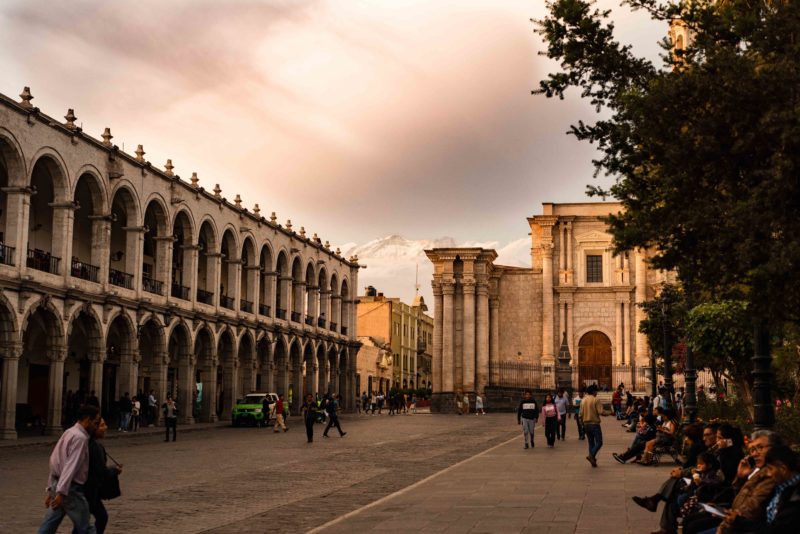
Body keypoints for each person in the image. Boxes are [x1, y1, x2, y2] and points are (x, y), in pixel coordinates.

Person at [38, 404, 101, 534]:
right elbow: (70, 466)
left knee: (49, 525)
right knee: (86, 528)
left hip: (59, 485)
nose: (96, 426)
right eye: (95, 422)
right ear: (87, 420)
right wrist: (61, 492)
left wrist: (52, 489)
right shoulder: (80, 438)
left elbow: (55, 461)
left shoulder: (69, 432)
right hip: (70, 489)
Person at [80, 417, 122, 534]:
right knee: (100, 518)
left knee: (82, 522)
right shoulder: (94, 446)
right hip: (89, 490)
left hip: (86, 489)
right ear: (94, 428)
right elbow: (100, 471)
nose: (106, 428)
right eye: (102, 425)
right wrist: (115, 471)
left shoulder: (87, 443)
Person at [580, 384, 603, 467]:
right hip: (594, 424)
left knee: (591, 443)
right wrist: (609, 412)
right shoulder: (595, 399)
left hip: (586, 424)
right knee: (599, 442)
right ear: (594, 392)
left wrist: (582, 424)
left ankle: (593, 460)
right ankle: (591, 455)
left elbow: (580, 414)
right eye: (596, 391)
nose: (597, 393)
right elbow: (600, 412)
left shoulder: (583, 400)